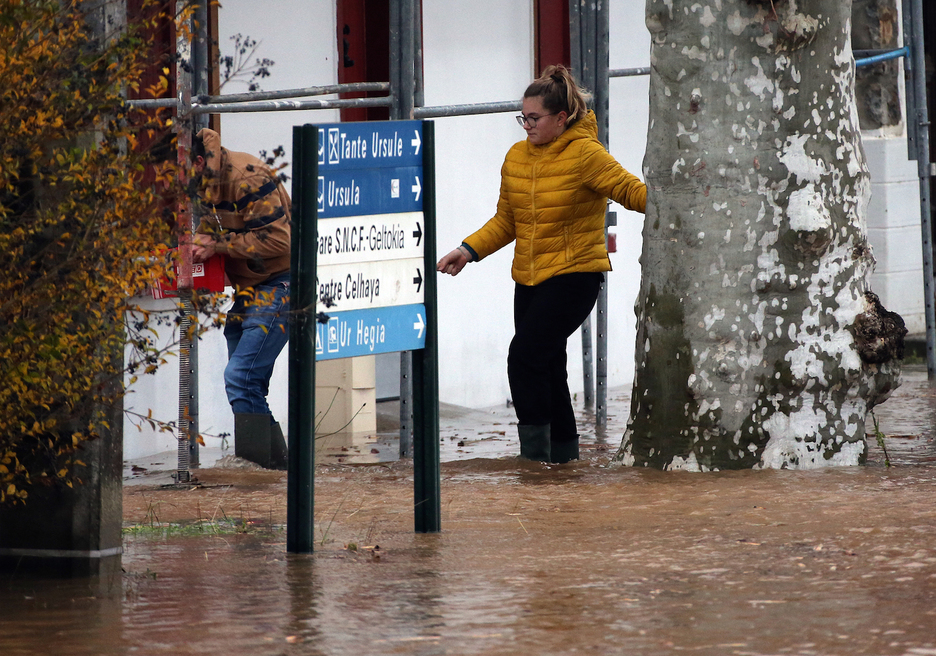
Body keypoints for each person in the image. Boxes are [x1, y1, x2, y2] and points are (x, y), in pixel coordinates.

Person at [437, 65, 646, 464]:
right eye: (523, 117)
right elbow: (506, 221)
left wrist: (673, 201)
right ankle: (564, 464)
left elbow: (627, 189)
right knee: (549, 367)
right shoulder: (516, 156)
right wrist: (467, 251)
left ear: (561, 118)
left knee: (525, 358)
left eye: (533, 118)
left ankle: (533, 462)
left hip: (575, 277)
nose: (526, 126)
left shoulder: (586, 154)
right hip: (529, 280)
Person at [190, 127, 291, 469]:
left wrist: (216, 246)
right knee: (247, 385)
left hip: (281, 283)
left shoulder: (247, 178)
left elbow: (279, 242)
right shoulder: (203, 182)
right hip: (249, 288)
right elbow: (211, 228)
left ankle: (265, 468)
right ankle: (271, 471)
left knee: (241, 377)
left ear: (198, 161)